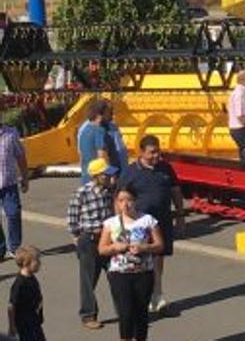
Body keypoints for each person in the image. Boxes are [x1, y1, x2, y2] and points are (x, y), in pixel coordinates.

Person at [117, 136, 183, 315]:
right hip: (140, 225)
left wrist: (180, 215)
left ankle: (157, 295)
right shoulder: (131, 172)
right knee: (141, 261)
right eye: (152, 152)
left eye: (158, 151)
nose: (156, 155)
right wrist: (120, 224)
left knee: (158, 257)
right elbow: (120, 198)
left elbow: (175, 191)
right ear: (141, 152)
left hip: (162, 222)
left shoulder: (165, 168)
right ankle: (141, 298)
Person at [99, 187, 163, 341]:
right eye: (121, 201)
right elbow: (102, 249)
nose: (125, 204)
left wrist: (144, 247)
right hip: (119, 274)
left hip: (143, 273)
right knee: (126, 313)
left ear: (135, 201)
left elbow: (160, 245)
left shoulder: (147, 220)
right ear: (116, 203)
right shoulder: (111, 223)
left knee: (141, 313)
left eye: (129, 200)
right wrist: (115, 247)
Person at [67, 157, 117, 330]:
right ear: (96, 176)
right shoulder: (82, 192)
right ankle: (88, 315)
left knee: (116, 274)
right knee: (88, 280)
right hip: (89, 240)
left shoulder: (109, 191)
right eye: (106, 175)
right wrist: (76, 237)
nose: (110, 177)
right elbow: (72, 217)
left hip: (107, 238)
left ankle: (125, 311)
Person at [0, 121, 28, 257]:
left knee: (13, 213)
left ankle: (14, 246)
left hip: (9, 184)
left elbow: (20, 156)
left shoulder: (10, 134)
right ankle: (0, 248)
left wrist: (25, 177)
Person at [78, 99, 121, 184]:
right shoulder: (99, 131)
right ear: (100, 115)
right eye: (109, 113)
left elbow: (81, 155)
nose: (112, 117)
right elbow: (101, 156)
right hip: (100, 179)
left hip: (88, 176)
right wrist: (110, 175)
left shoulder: (84, 130)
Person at [7, 246, 44, 341]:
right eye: (37, 261)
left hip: (34, 320)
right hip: (24, 322)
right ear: (26, 263)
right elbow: (11, 306)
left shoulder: (31, 277)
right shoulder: (19, 284)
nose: (39, 263)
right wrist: (12, 326)